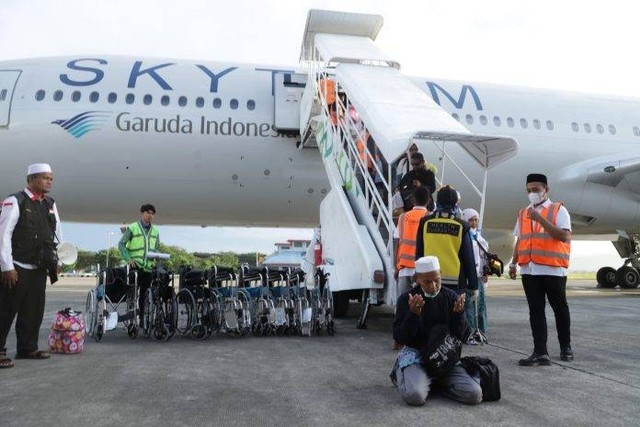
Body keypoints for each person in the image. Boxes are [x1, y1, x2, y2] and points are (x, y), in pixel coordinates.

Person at [391, 256, 482, 406]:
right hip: (417, 357)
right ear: (418, 279)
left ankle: (434, 383)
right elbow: (400, 337)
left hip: (444, 356)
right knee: (415, 396)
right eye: (427, 282)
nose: (433, 286)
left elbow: (463, 335)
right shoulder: (406, 300)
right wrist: (413, 315)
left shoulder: (451, 297)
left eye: (437, 280)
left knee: (474, 394)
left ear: (440, 274)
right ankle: (405, 374)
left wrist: (459, 315)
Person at [0, 163, 63, 368]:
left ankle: (27, 348)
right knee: (5, 310)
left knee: (33, 311)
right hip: (16, 267)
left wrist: (59, 260)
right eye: (45, 178)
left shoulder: (50, 203)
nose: (49, 181)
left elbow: (57, 233)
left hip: (39, 267)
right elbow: (4, 235)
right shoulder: (15, 201)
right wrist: (7, 266)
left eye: (51, 178)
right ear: (31, 180)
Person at [508, 173, 573, 366]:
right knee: (535, 311)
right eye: (529, 190)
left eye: (536, 190)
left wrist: (540, 219)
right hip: (529, 270)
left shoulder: (558, 210)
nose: (532, 193)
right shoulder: (523, 213)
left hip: (553, 270)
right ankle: (540, 352)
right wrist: (513, 263)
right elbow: (520, 239)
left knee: (559, 309)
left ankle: (565, 346)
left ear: (546, 189)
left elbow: (564, 237)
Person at [415, 186, 478, 299]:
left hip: (428, 279)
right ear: (455, 204)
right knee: (453, 315)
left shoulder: (425, 223)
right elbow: (468, 258)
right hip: (455, 282)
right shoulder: (462, 226)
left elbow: (419, 252)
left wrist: (418, 277)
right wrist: (473, 285)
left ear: (437, 202)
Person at [392, 186, 431, 350]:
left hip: (403, 268)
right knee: (423, 304)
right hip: (421, 270)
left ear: (413, 200)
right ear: (428, 200)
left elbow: (397, 242)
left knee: (402, 305)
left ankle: (398, 341)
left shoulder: (403, 217)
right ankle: (419, 338)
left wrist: (396, 266)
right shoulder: (430, 217)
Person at [119, 204, 160, 324]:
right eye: (148, 212)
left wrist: (156, 256)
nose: (150, 215)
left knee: (144, 295)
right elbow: (121, 244)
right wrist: (128, 258)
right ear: (142, 213)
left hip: (148, 268)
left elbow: (156, 248)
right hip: (135, 266)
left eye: (152, 213)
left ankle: (141, 319)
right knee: (132, 294)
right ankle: (131, 315)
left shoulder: (156, 231)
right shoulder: (133, 227)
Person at [461, 208, 489, 344]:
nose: (473, 223)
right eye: (470, 220)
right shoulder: (464, 236)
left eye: (475, 220)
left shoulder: (478, 236)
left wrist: (485, 272)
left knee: (481, 306)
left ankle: (481, 332)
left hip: (478, 276)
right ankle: (470, 333)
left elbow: (484, 257)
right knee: (468, 307)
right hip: (467, 276)